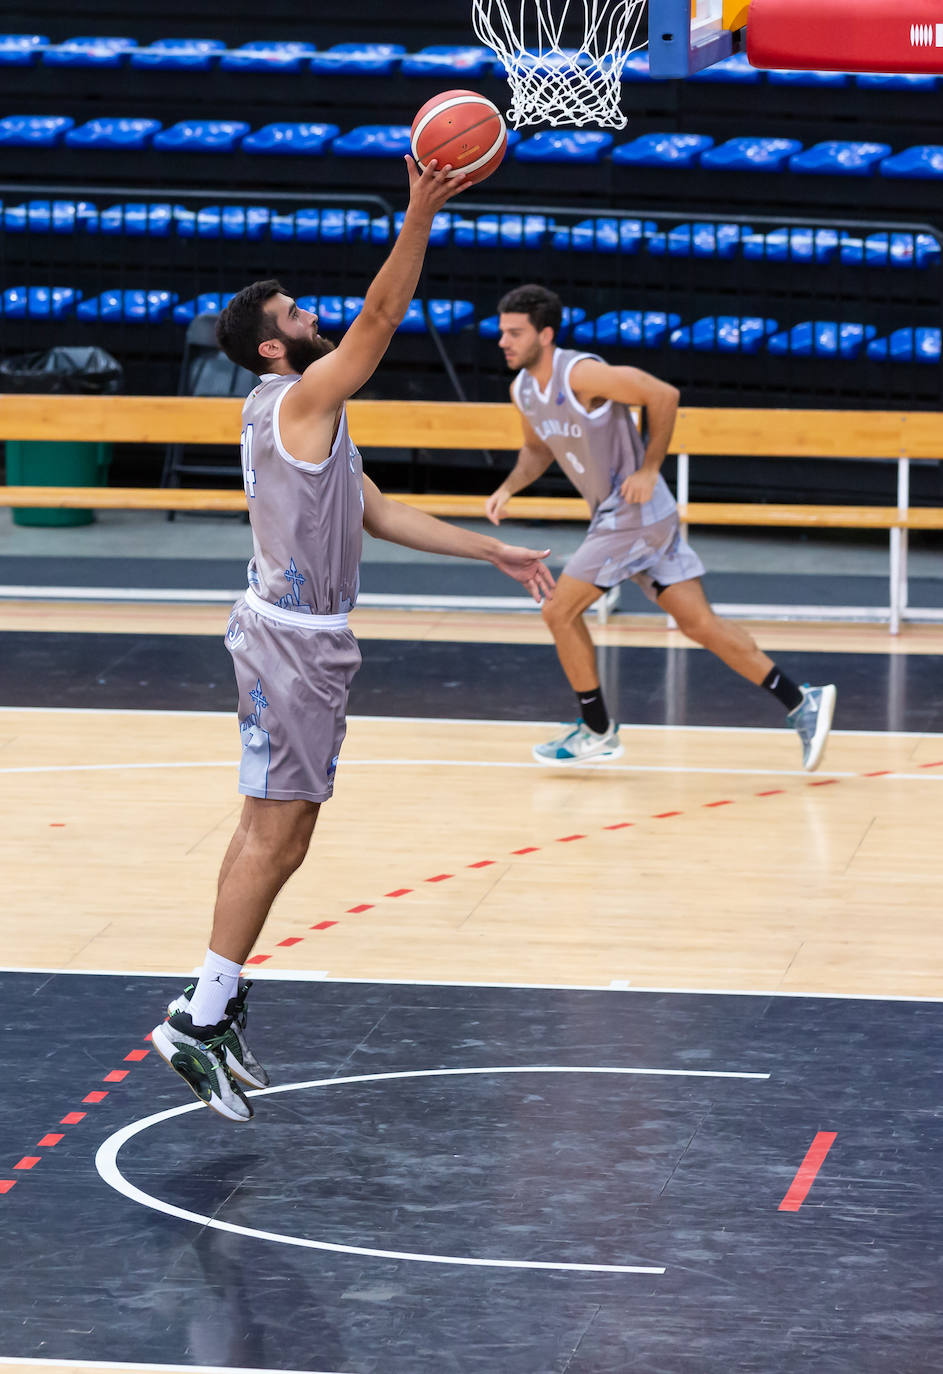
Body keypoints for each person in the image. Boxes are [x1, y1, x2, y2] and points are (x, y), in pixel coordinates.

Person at [151, 162, 555, 1122]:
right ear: (271, 348)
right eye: (292, 315)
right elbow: (379, 318)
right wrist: (420, 210)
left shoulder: (305, 417)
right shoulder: (296, 400)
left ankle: (216, 1000)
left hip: (303, 641)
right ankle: (198, 1016)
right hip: (289, 642)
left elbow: (374, 513)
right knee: (275, 829)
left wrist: (485, 550)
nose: (309, 317)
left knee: (280, 830)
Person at [485, 282, 836, 769]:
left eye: (515, 332)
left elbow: (663, 395)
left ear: (545, 335)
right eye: (502, 331)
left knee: (558, 611)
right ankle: (803, 702)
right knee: (699, 624)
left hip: (631, 518)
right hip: (637, 518)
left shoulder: (582, 374)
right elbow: (537, 451)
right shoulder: (522, 389)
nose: (504, 341)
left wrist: (649, 467)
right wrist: (508, 488)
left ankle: (597, 729)